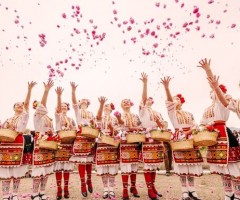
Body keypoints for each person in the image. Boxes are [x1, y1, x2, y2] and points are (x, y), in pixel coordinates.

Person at [198, 59, 240, 200]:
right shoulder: (207, 109)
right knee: (222, 168)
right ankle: (229, 194)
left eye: (216, 90)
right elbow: (201, 123)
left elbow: (223, 100)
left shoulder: (224, 101)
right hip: (213, 138)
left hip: (225, 135)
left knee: (233, 166)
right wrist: (205, 127)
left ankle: (238, 194)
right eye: (212, 91)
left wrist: (209, 71)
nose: (213, 92)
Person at [161, 76, 203, 200]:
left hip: (189, 138)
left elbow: (195, 126)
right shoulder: (172, 113)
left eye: (177, 98)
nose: (175, 100)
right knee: (182, 165)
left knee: (190, 164)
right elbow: (169, 101)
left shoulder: (189, 113)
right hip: (179, 137)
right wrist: (167, 88)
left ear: (181, 101)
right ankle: (184, 191)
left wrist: (189, 132)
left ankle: (192, 190)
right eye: (174, 99)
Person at [0, 81, 36, 200]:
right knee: (5, 171)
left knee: (17, 171)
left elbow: (26, 104)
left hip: (18, 144)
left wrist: (29, 90)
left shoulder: (24, 117)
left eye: (21, 105)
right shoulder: (7, 119)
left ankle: (14, 194)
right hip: (5, 145)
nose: (20, 106)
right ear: (13, 108)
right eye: (17, 105)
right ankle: (5, 195)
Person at [139, 72, 168, 200]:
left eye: (151, 99)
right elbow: (143, 98)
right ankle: (149, 189)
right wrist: (145, 84)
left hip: (156, 138)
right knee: (147, 165)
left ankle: (154, 187)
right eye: (147, 99)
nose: (148, 100)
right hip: (147, 138)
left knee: (154, 165)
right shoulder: (143, 110)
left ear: (153, 102)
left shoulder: (157, 112)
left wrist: (157, 122)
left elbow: (162, 127)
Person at [69, 82, 96, 198]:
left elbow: (95, 124)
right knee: (81, 161)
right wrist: (73, 91)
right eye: (82, 100)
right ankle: (82, 184)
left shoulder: (91, 113)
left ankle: (89, 180)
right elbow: (74, 103)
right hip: (80, 138)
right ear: (80, 103)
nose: (83, 101)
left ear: (88, 103)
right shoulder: (78, 112)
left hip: (90, 138)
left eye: (86, 100)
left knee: (89, 161)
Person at [31, 80, 56, 200]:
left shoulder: (49, 118)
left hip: (49, 143)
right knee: (38, 168)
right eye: (38, 105)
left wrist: (52, 133)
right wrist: (46, 91)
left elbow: (52, 129)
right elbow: (43, 106)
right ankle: (34, 193)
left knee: (46, 169)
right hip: (40, 142)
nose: (40, 106)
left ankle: (42, 191)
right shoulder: (37, 115)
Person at [115, 99, 142, 200]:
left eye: (127, 102)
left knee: (134, 166)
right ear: (121, 105)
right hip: (125, 142)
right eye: (123, 102)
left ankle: (133, 187)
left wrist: (136, 129)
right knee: (125, 166)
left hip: (134, 142)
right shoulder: (118, 115)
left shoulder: (135, 116)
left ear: (131, 104)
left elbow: (141, 126)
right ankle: (125, 190)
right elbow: (116, 128)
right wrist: (126, 129)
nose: (126, 103)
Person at [54, 87, 76, 200]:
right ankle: (59, 190)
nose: (63, 108)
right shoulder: (57, 117)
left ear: (67, 108)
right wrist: (59, 96)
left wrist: (71, 127)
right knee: (58, 168)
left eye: (64, 106)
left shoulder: (71, 119)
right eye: (61, 106)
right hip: (59, 143)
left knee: (66, 168)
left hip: (68, 143)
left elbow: (75, 129)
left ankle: (66, 189)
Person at [95, 97, 119, 199]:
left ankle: (112, 189)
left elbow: (117, 132)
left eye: (107, 105)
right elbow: (98, 117)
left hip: (111, 144)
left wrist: (111, 128)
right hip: (102, 144)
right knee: (104, 168)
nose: (106, 106)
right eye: (105, 106)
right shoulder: (100, 117)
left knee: (112, 168)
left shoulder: (115, 119)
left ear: (111, 108)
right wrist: (101, 104)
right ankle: (105, 189)